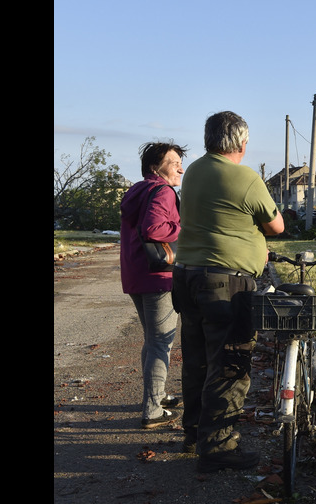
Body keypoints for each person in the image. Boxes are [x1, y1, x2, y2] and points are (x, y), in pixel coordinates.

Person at [172, 111, 284, 472]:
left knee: (197, 358)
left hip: (187, 276)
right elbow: (276, 225)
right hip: (225, 283)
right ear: (241, 143)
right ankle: (218, 444)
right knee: (229, 361)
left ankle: (194, 431)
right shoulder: (245, 177)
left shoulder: (193, 171)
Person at [119, 141, 188, 429]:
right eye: (174, 163)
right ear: (155, 167)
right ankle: (152, 410)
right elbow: (153, 229)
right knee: (161, 342)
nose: (180, 168)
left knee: (152, 340)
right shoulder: (163, 191)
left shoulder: (138, 189)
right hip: (159, 275)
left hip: (136, 273)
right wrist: (186, 229)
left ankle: (156, 395)